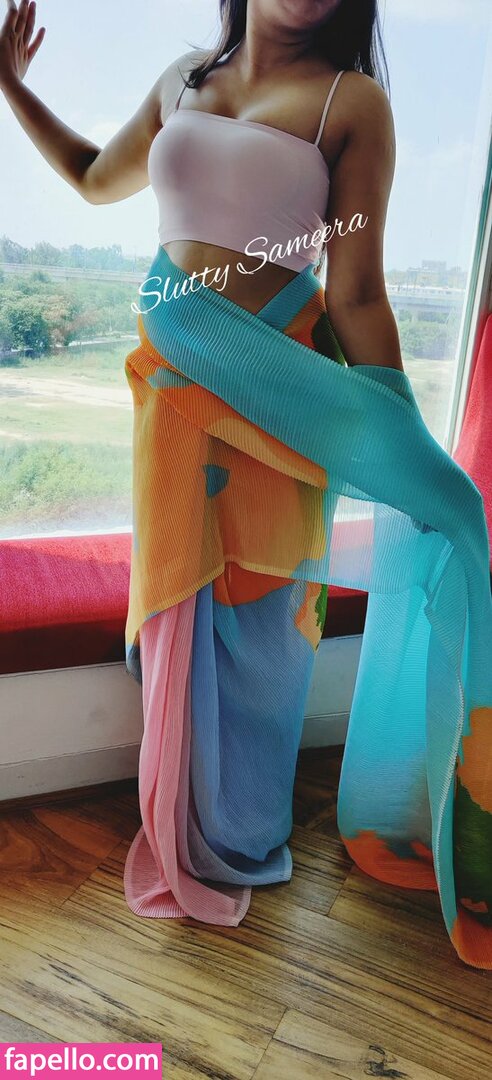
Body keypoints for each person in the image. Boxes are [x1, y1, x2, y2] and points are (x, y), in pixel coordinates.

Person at [3, 0, 492, 970]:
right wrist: (13, 89)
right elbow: (96, 178)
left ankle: (250, 824)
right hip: (177, 392)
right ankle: (190, 826)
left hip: (281, 387)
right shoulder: (182, 80)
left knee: (264, 614)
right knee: (184, 606)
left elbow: (356, 290)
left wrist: (390, 428)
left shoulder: (351, 101)